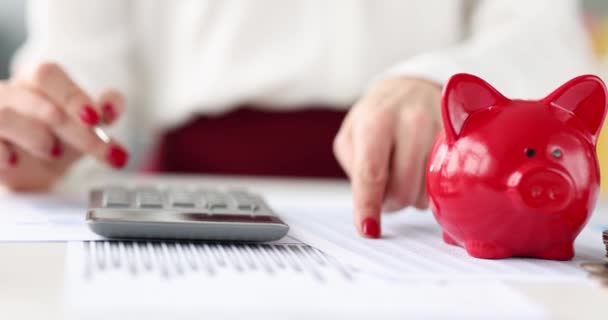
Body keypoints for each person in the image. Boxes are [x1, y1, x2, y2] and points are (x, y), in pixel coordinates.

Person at [0, 0, 597, 238]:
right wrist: (46, 134)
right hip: (188, 198)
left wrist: (441, 84)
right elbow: (85, 79)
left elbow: (546, 37)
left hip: (431, 195)